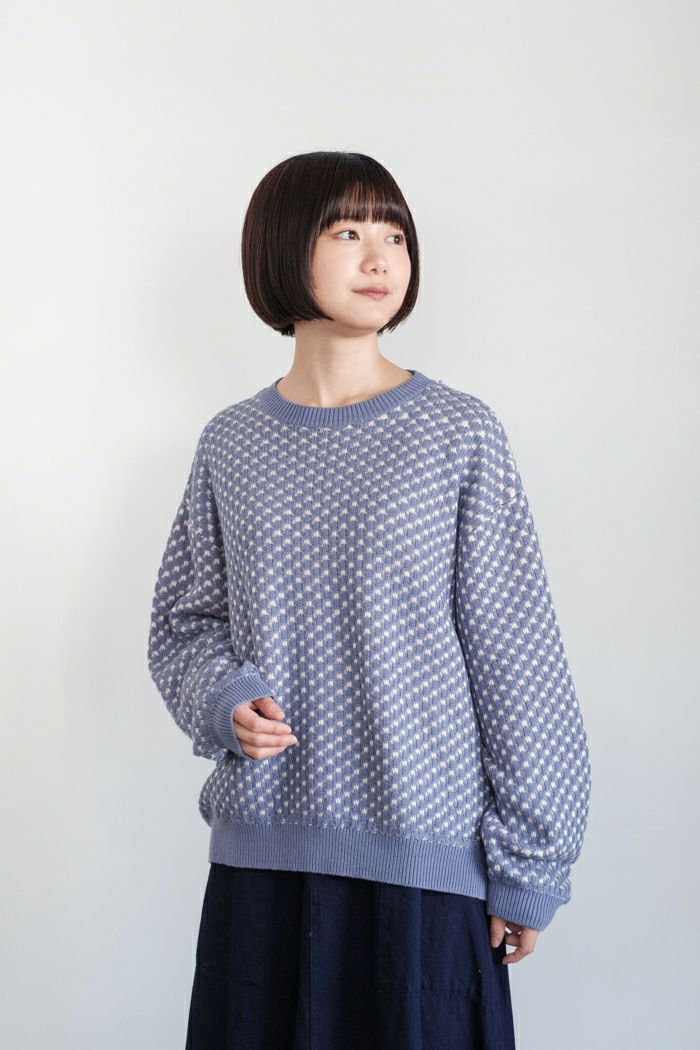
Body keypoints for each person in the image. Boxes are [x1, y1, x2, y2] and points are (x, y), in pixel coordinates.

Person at [146, 150, 592, 1049]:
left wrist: (531, 859)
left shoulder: (457, 432)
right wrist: (224, 699)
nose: (380, 257)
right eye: (347, 232)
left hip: (425, 865)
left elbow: (518, 655)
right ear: (282, 248)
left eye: (395, 235)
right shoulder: (232, 442)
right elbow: (183, 624)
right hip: (264, 858)